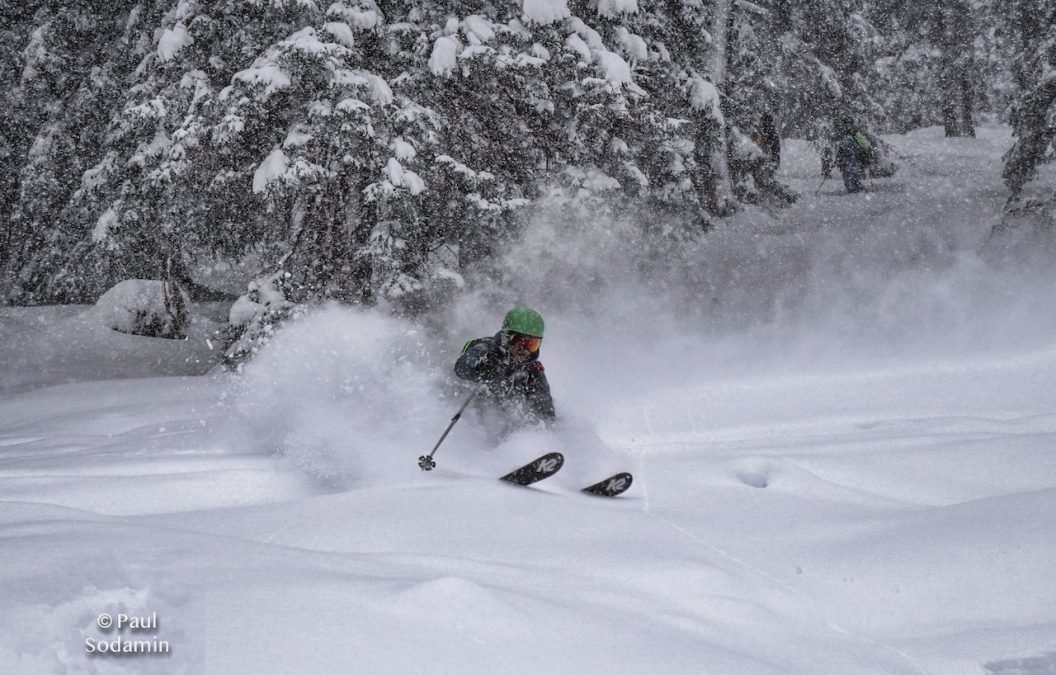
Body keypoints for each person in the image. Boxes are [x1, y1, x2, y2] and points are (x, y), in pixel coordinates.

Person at [454, 306, 556, 432]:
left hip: (505, 419)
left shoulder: (531, 369)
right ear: (507, 337)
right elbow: (461, 368)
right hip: (473, 416)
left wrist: (548, 428)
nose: (524, 350)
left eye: (532, 345)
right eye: (520, 342)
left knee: (525, 416)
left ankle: (526, 446)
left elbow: (545, 407)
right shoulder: (486, 349)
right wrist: (480, 369)